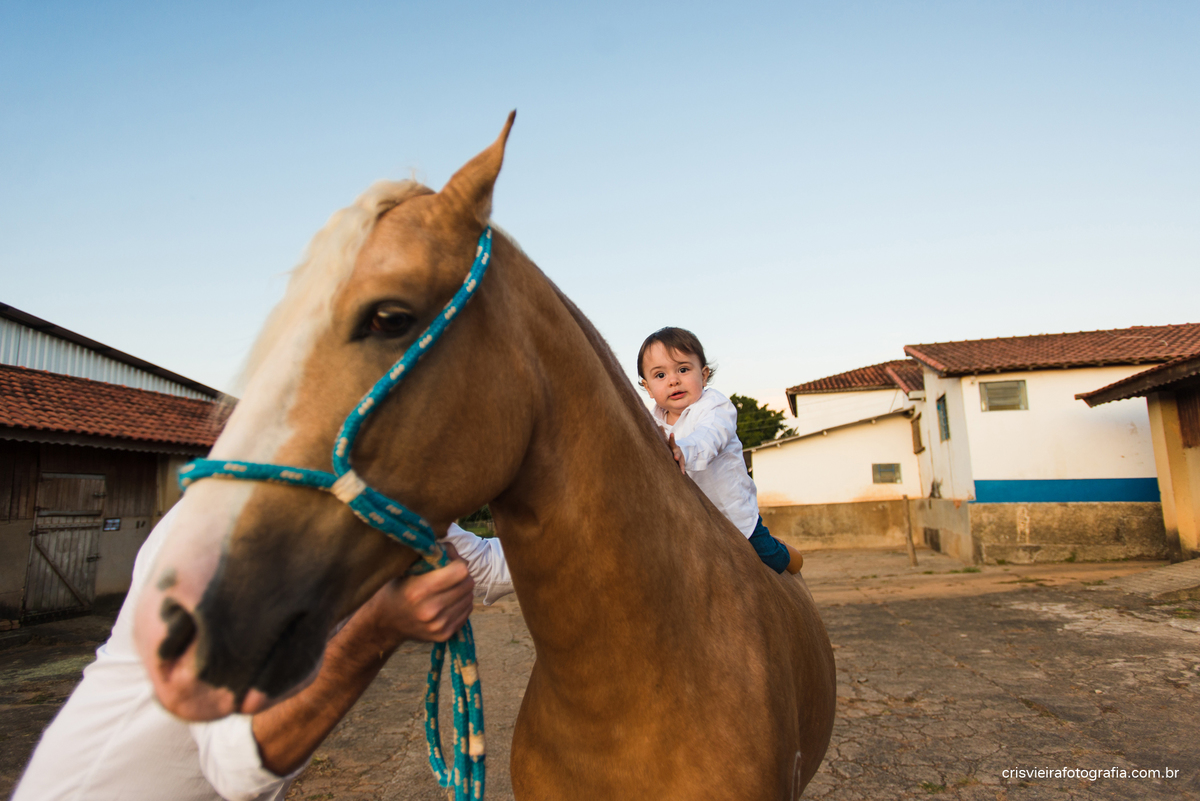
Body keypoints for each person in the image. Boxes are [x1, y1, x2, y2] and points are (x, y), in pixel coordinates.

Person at [13, 506, 482, 801]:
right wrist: (377, 629)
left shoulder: (391, 511)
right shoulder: (228, 526)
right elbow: (238, 764)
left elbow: (487, 565)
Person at [638, 326, 804, 575]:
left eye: (683, 369)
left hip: (731, 513)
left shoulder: (715, 407)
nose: (673, 380)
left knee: (768, 558)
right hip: (688, 520)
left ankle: (789, 555)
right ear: (648, 388)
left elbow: (708, 437)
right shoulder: (651, 424)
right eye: (660, 375)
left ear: (704, 375)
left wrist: (682, 450)